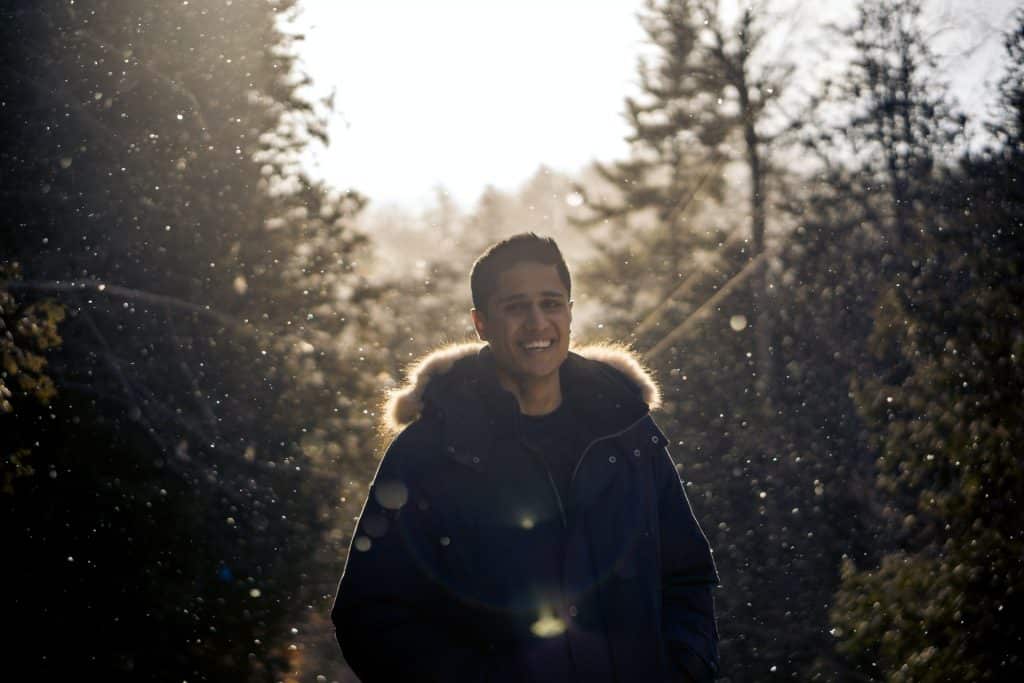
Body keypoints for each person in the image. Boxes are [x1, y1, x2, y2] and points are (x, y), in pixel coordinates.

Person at [331, 233, 720, 682]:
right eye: (516, 307)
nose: (538, 322)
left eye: (551, 303)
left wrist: (684, 668)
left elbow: (687, 576)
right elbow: (370, 615)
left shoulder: (627, 432)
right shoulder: (429, 453)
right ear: (481, 323)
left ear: (571, 313)